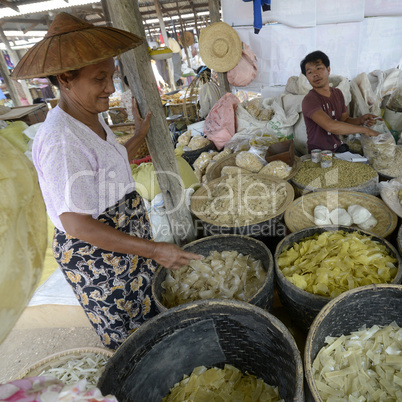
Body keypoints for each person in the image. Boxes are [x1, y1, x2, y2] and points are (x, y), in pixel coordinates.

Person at [12, 12, 201, 351]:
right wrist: (155, 250)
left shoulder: (89, 119)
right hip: (100, 259)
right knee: (130, 339)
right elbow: (77, 223)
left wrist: (138, 137)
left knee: (149, 319)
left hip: (124, 244)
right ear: (65, 79)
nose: (110, 88)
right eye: (100, 78)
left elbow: (104, 171)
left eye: (111, 76)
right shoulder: (62, 140)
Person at [300, 50, 380, 153]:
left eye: (319, 68)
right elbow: (330, 126)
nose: (315, 74)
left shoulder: (337, 93)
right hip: (319, 154)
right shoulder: (310, 100)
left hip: (338, 148)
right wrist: (365, 130)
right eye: (310, 72)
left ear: (328, 70)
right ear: (307, 77)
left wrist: (361, 120)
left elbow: (344, 119)